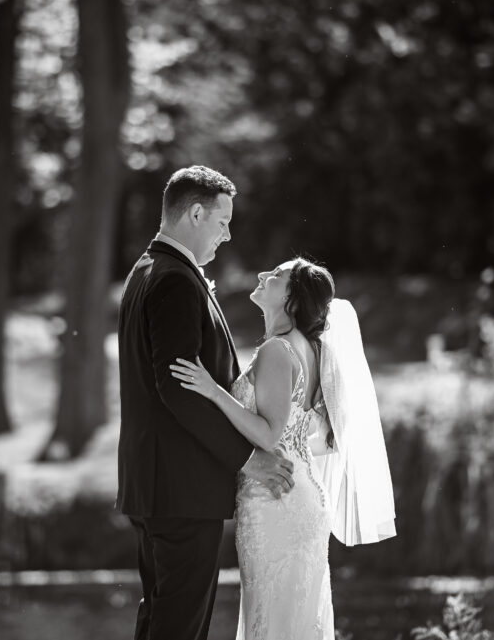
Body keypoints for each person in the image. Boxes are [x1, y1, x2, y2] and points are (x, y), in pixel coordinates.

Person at [170, 257, 397, 640]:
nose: (262, 275)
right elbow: (305, 430)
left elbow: (270, 434)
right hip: (296, 494)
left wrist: (214, 392)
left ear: (291, 298)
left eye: (275, 275)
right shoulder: (310, 348)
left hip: (276, 501)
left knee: (272, 621)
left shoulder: (278, 350)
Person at [116, 165, 296, 640]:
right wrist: (246, 459)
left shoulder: (149, 269)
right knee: (178, 627)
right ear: (195, 213)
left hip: (158, 484)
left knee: (160, 618)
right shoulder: (174, 279)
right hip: (181, 488)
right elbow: (176, 388)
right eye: (222, 222)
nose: (228, 234)